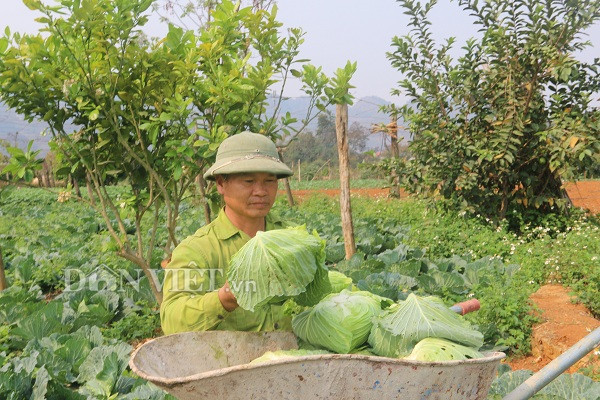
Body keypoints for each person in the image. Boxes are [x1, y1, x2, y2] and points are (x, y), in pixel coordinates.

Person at [160, 131, 294, 335]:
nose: (261, 191)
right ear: (221, 184)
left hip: (296, 362)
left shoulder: (291, 239)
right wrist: (224, 299)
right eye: (249, 181)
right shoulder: (197, 250)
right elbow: (171, 321)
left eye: (269, 181)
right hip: (228, 362)